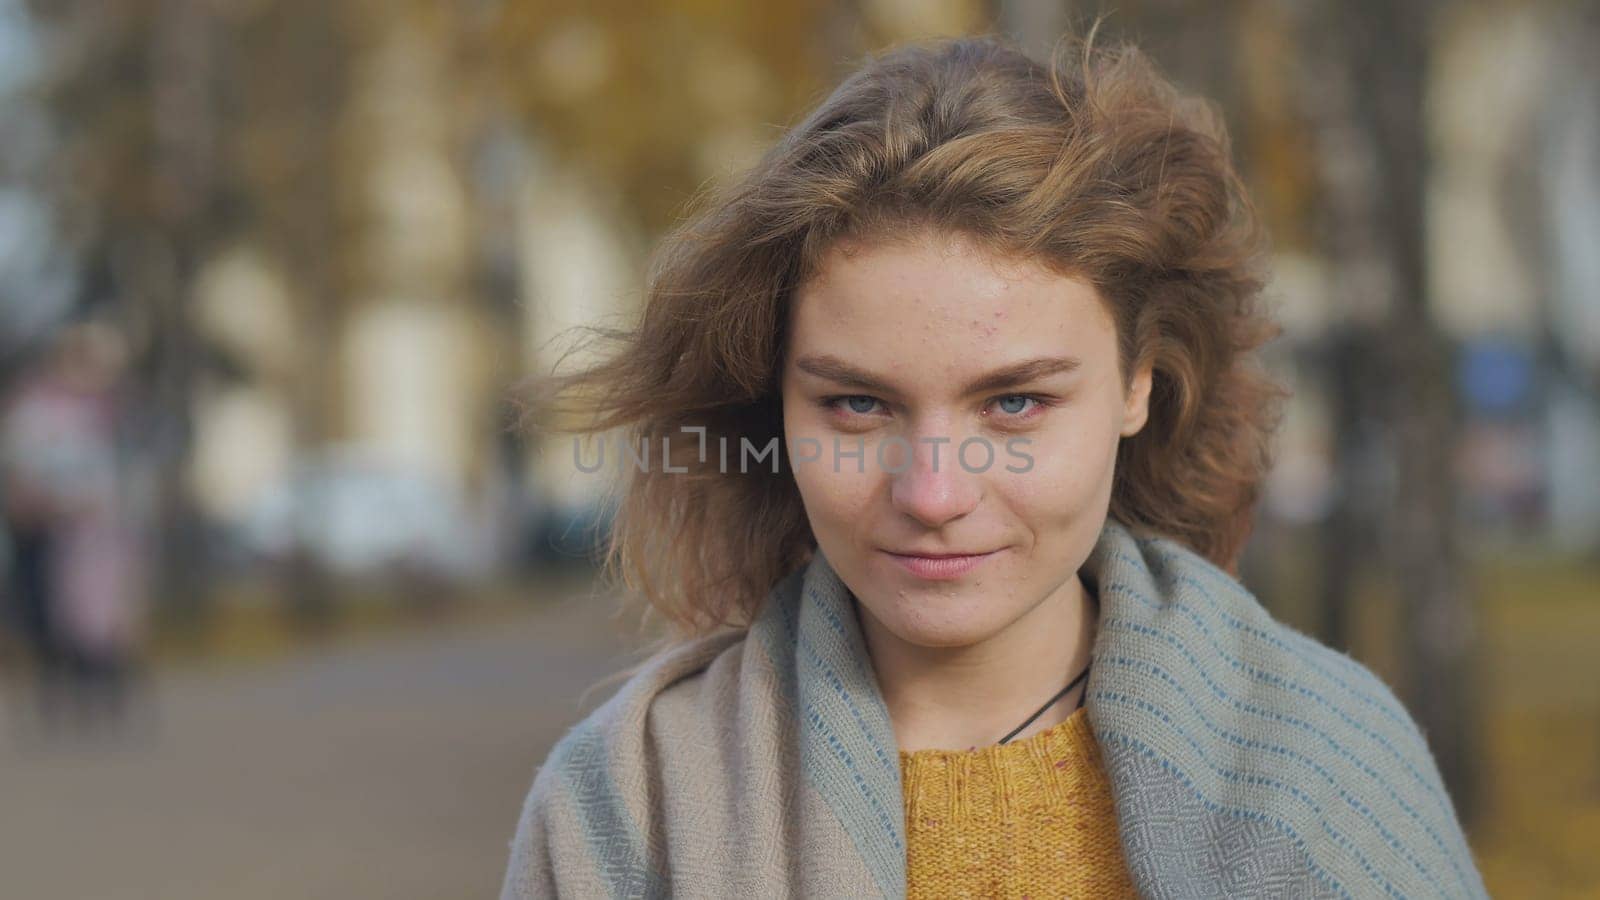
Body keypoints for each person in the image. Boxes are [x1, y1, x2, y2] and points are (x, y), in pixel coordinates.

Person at [502, 31, 1489, 899]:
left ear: (1138, 384)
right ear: (776, 405)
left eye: (1015, 403)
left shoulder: (1324, 763)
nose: (933, 493)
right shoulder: (631, 808)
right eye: (857, 404)